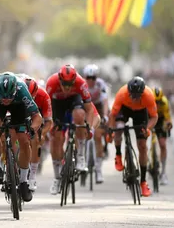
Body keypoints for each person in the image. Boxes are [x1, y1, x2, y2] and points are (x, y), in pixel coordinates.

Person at [0, 72, 42, 202]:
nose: (6, 100)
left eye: (9, 97)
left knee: (24, 141)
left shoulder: (22, 90)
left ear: (15, 90)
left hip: (18, 108)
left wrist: (32, 130)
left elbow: (37, 117)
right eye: (3, 97)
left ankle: (24, 182)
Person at [45, 64, 100, 196]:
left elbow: (90, 111)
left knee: (80, 117)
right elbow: (46, 108)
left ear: (75, 81)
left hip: (75, 103)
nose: (67, 88)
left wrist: (90, 128)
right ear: (59, 80)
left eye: (70, 84)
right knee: (56, 139)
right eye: (64, 84)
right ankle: (57, 177)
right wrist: (49, 126)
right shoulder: (51, 83)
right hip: (57, 105)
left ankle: (80, 155)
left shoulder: (81, 84)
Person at [108, 77, 158, 197]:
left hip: (140, 113)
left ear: (142, 93)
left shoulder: (148, 96)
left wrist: (147, 129)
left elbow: (154, 117)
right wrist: (111, 131)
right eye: (132, 95)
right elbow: (112, 115)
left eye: (137, 96)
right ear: (128, 92)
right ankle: (118, 154)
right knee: (119, 128)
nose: (135, 98)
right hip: (124, 109)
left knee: (142, 146)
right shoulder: (122, 94)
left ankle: (143, 182)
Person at [18, 75, 52, 192]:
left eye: (31, 96)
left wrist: (42, 133)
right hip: (20, 114)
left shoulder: (43, 96)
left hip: (37, 116)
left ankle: (32, 176)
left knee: (35, 140)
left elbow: (48, 121)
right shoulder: (16, 93)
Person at [83, 64, 109, 184]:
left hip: (98, 107)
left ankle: (98, 170)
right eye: (89, 77)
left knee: (97, 136)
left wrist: (104, 116)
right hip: (86, 107)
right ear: (85, 77)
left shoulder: (100, 84)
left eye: (93, 78)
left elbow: (104, 101)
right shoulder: (82, 85)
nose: (91, 80)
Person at [153, 86, 172, 185]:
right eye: (155, 102)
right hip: (150, 119)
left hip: (160, 121)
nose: (156, 104)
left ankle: (163, 172)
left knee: (162, 144)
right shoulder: (148, 101)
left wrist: (169, 124)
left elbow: (168, 118)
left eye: (158, 101)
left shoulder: (164, 102)